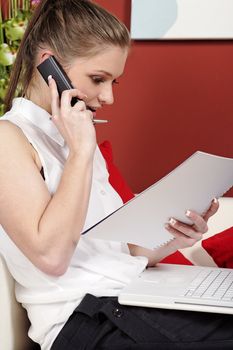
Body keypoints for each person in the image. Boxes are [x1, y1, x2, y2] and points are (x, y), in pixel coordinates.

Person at [0, 1, 232, 349]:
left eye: (114, 81)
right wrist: (80, 152)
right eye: (98, 79)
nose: (108, 96)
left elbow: (115, 252)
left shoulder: (75, 136)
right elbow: (51, 257)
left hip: (132, 298)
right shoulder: (10, 139)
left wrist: (178, 237)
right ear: (47, 65)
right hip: (86, 321)